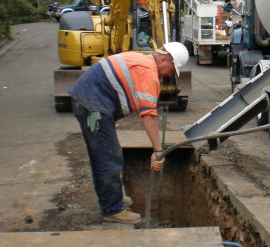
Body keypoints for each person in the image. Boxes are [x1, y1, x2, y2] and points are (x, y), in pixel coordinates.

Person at [68, 42, 189, 225]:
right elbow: (148, 116)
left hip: (88, 101)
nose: (170, 75)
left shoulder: (141, 61)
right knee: (109, 157)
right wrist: (157, 151)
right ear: (164, 59)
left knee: (102, 156)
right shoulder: (149, 74)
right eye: (172, 70)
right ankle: (113, 209)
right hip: (93, 106)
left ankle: (111, 199)